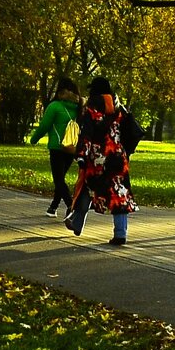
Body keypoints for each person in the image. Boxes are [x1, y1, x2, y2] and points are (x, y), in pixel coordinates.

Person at [65, 77, 138, 246]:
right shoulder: (120, 108)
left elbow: (86, 134)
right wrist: (126, 151)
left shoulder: (91, 108)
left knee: (89, 188)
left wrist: (82, 155)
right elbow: (130, 131)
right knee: (118, 193)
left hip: (98, 157)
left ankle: (76, 220)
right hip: (118, 156)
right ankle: (120, 234)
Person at [29, 78, 81, 219]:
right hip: (71, 148)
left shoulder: (54, 106)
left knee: (58, 180)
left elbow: (45, 126)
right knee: (61, 179)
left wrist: (34, 139)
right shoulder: (79, 108)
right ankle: (53, 207)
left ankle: (72, 206)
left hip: (57, 147)